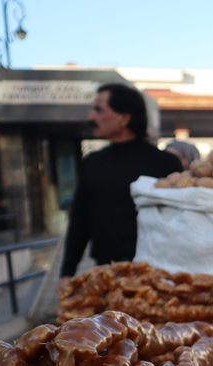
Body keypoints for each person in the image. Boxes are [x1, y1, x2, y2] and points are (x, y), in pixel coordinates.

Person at [60, 84, 181, 278]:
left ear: (124, 118)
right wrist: (66, 274)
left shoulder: (165, 163)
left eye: (99, 110)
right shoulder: (92, 163)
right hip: (106, 276)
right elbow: (79, 222)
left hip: (157, 276)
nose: (90, 117)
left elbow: (180, 223)